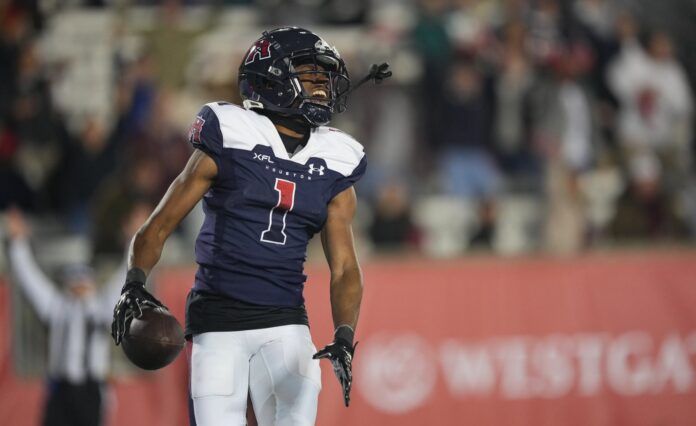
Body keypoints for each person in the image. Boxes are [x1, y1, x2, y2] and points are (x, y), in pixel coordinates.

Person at [111, 27, 381, 426]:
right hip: (217, 322)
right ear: (272, 76)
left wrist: (344, 334)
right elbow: (161, 223)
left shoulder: (337, 158)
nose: (322, 86)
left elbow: (344, 267)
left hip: (286, 320)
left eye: (325, 76)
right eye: (310, 74)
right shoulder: (230, 132)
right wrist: (134, 280)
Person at [6, 207, 125, 426]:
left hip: (91, 388)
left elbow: (125, 279)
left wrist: (134, 241)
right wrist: (18, 241)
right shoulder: (58, 306)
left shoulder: (101, 305)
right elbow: (29, 278)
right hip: (61, 388)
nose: (79, 284)